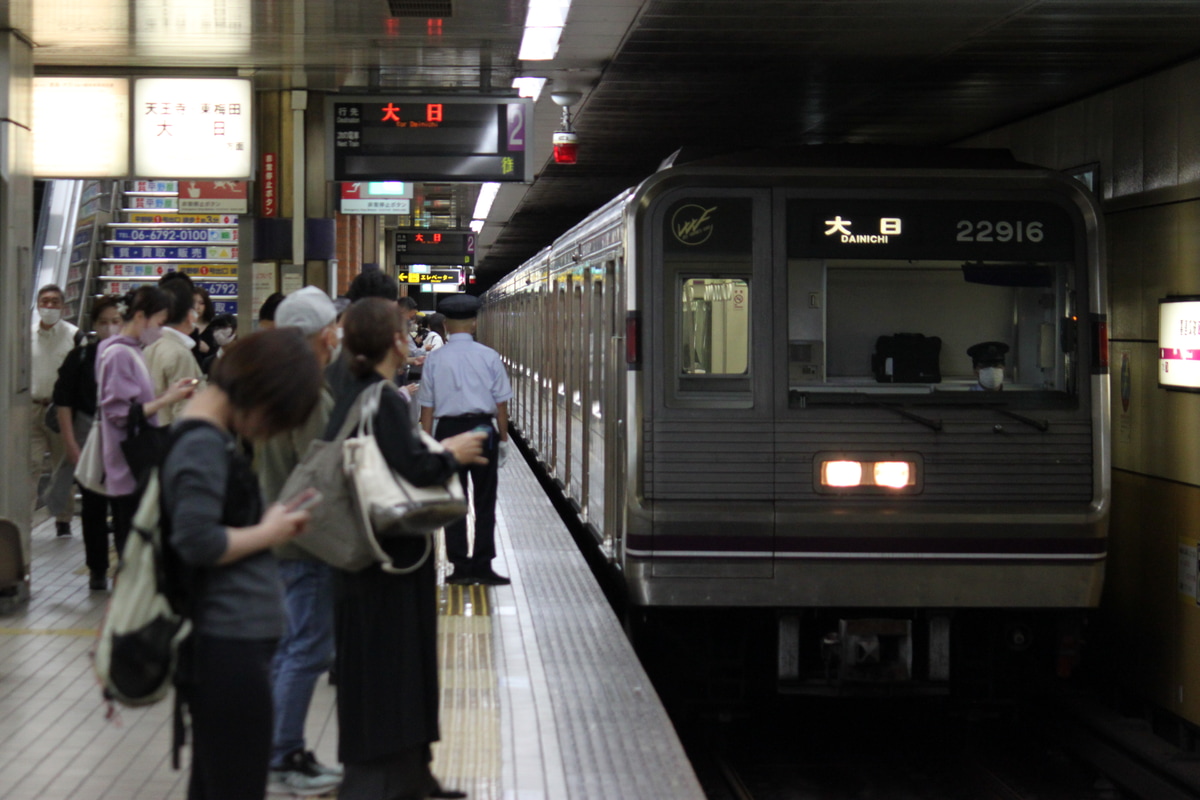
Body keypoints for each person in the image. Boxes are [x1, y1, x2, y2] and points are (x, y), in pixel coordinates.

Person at [328, 297, 485, 800]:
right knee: (395, 667)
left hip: (367, 556)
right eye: (404, 332)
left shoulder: (347, 390)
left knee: (385, 666)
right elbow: (411, 468)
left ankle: (410, 777)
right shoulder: (380, 399)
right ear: (394, 342)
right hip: (391, 561)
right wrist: (450, 453)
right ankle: (389, 781)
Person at [162, 328, 321, 800]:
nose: (274, 431)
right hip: (225, 644)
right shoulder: (202, 445)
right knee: (236, 783)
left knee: (216, 783)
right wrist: (267, 532)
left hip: (229, 641)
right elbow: (196, 540)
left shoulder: (206, 438)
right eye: (279, 416)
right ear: (261, 394)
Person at [256, 287, 344, 796]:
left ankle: (278, 747)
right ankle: (282, 754)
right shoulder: (307, 393)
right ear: (317, 335)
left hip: (281, 531)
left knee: (292, 646)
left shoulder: (272, 385)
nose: (335, 338)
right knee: (307, 648)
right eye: (330, 329)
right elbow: (319, 472)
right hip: (304, 539)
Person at [418, 293, 513, 586]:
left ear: (445, 325)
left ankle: (459, 567)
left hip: (447, 431)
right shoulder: (489, 356)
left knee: (454, 500)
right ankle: (483, 566)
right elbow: (500, 405)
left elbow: (427, 410)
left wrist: (427, 445)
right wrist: (504, 439)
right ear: (474, 323)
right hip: (483, 431)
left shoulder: (434, 359)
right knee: (485, 501)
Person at [95, 286, 198, 556]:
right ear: (141, 316)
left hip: (129, 463)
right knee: (132, 548)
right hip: (129, 464)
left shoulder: (128, 350)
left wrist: (169, 393)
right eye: (159, 322)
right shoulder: (119, 354)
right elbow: (120, 413)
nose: (160, 330)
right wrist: (168, 399)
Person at [53, 296, 123, 590]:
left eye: (116, 322)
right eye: (103, 322)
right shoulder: (80, 358)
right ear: (94, 325)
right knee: (93, 508)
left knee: (124, 508)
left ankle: (126, 567)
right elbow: (64, 402)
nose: (109, 328)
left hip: (123, 444)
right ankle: (97, 568)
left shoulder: (133, 355)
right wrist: (70, 443)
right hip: (89, 442)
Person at [31, 283, 80, 537]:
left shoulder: (73, 336)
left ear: (63, 306)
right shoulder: (24, 334)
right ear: (38, 304)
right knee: (29, 465)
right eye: (44, 301)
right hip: (30, 409)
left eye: (54, 302)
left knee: (62, 466)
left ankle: (63, 519)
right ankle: (23, 518)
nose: (49, 307)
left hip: (61, 411)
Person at [145, 279, 205, 425]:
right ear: (188, 315)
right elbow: (184, 410)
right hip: (172, 439)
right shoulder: (179, 353)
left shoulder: (150, 346)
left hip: (153, 434)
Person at [192, 287, 216, 366]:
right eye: (193, 303)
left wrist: (208, 350)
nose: (197, 307)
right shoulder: (182, 328)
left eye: (201, 303)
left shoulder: (214, 328)